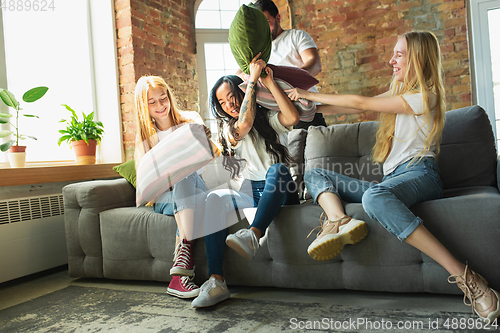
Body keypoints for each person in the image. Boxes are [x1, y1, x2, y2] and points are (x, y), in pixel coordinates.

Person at [288, 31, 500, 323]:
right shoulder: (399, 92)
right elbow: (352, 106)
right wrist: (309, 107)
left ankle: (467, 278)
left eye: (399, 54)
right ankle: (339, 220)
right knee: (316, 174)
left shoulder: (426, 95)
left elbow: (362, 103)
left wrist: (309, 94)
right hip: (391, 182)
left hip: (420, 173)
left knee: (375, 196)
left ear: (418, 58)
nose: (391, 60)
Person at [191, 54, 301, 308]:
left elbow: (293, 118)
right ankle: (216, 282)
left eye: (232, 97)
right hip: (252, 190)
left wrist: (268, 81)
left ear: (242, 94)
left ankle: (253, 235)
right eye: (222, 101)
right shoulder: (230, 131)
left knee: (277, 171)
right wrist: (252, 79)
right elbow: (246, 122)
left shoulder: (271, 121)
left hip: (281, 189)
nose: (229, 104)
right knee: (214, 198)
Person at [134, 75, 211, 299]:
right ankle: (180, 271)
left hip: (195, 185)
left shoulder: (190, 121)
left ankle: (181, 269)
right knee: (181, 179)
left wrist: (204, 143)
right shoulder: (145, 139)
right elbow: (148, 186)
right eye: (152, 102)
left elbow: (206, 166)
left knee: (184, 173)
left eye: (163, 98)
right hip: (165, 199)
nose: (160, 106)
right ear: (143, 106)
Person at [254, 0, 326, 130]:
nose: (263, 29)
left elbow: (315, 64)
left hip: (307, 112)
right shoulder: (258, 52)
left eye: (267, 22)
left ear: (278, 18)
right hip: (279, 119)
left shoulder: (296, 36)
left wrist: (285, 83)